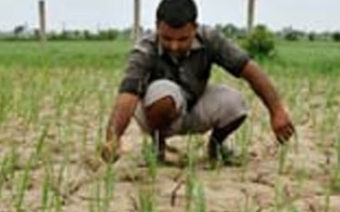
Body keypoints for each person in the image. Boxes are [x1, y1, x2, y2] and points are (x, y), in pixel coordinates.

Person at [100, 0, 295, 165]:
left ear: (195, 27)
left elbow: (250, 70)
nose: (174, 46)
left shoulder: (210, 39)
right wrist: (113, 138)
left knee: (235, 103)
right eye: (167, 38)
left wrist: (277, 111)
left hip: (195, 104)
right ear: (157, 26)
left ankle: (216, 147)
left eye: (183, 39)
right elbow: (128, 95)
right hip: (157, 108)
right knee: (164, 93)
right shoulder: (145, 49)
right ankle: (158, 147)